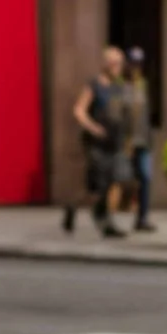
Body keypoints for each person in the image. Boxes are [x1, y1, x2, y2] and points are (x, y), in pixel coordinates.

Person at [66, 45, 134, 237]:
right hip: (96, 143)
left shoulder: (119, 87)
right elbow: (79, 111)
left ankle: (76, 207)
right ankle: (105, 223)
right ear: (105, 64)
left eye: (120, 63)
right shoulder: (94, 85)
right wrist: (94, 128)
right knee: (99, 185)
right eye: (113, 63)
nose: (117, 67)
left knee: (112, 181)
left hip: (114, 142)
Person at [124, 46, 158, 232]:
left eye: (138, 64)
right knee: (116, 178)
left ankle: (142, 217)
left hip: (143, 140)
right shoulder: (120, 86)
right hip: (126, 141)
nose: (135, 67)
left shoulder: (143, 85)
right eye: (132, 63)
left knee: (145, 177)